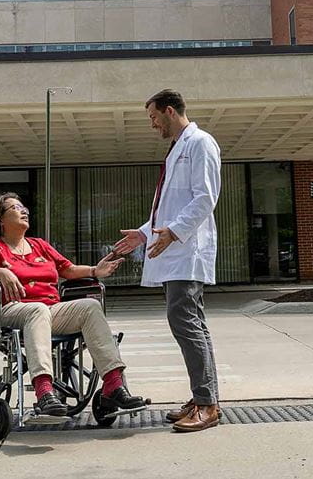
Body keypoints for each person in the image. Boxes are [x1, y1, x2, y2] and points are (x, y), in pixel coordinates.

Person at [0, 192, 149, 422]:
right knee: (37, 310)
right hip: (12, 309)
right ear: (0, 220)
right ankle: (44, 392)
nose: (24, 210)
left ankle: (113, 387)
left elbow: (68, 269)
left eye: (24, 207)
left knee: (90, 307)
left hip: (49, 310)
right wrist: (2, 272)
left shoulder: (39, 245)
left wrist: (96, 271)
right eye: (16, 208)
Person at [113, 88, 223, 433]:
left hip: (188, 251)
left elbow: (206, 198)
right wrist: (145, 233)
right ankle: (205, 398)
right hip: (177, 250)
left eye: (153, 117)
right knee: (191, 324)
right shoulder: (178, 148)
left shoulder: (201, 143)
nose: (152, 124)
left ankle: (206, 404)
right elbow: (170, 206)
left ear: (170, 111)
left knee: (186, 323)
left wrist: (173, 233)